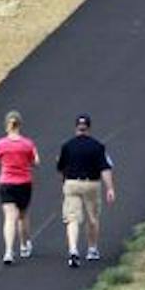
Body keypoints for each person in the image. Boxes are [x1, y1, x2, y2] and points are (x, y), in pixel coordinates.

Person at [56, 113, 117, 266]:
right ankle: (92, 249)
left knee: (72, 218)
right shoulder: (98, 146)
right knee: (93, 218)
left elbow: (61, 167)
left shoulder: (67, 146)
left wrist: (64, 181)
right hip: (91, 184)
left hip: (72, 183)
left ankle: (73, 249)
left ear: (76, 127)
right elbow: (105, 168)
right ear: (89, 128)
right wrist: (110, 188)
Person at [0, 110, 39, 265]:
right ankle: (24, 245)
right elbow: (35, 162)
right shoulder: (28, 144)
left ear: (7, 126)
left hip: (6, 183)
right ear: (19, 125)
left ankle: (9, 251)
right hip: (24, 183)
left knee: (9, 217)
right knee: (22, 216)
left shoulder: (0, 144)